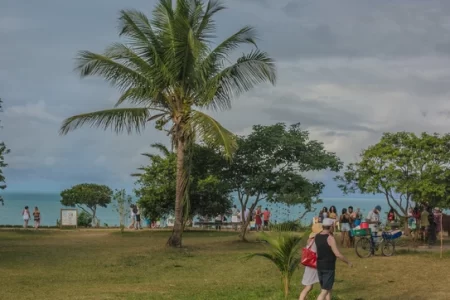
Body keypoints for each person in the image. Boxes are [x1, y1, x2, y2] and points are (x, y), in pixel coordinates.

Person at [315, 218, 352, 300]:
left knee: (327, 289)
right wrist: (348, 262)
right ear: (331, 226)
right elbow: (337, 254)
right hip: (328, 267)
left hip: (319, 266)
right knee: (324, 291)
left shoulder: (317, 236)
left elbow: (317, 252)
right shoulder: (330, 238)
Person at [299, 232, 330, 300]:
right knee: (325, 288)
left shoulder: (310, 243)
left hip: (310, 267)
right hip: (316, 267)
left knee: (308, 287)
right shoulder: (316, 243)